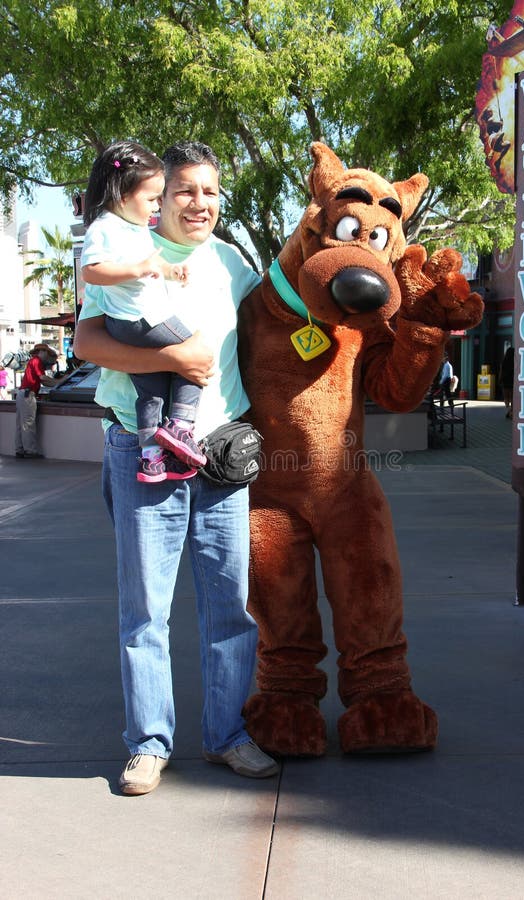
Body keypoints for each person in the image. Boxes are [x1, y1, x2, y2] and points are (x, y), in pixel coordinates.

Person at [74, 141, 279, 795]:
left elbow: (280, 322)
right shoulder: (130, 253)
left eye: (211, 192)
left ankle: (227, 737)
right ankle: (149, 744)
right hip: (142, 452)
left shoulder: (230, 264)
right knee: (145, 611)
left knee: (231, 608)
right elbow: (87, 342)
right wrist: (177, 362)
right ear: (159, 198)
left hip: (219, 454)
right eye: (186, 190)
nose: (200, 203)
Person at [81, 140, 206, 484]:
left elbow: (151, 264)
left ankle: (152, 457)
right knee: (195, 354)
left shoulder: (134, 230)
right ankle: (180, 426)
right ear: (122, 194)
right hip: (139, 319)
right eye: (151, 199)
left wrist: (168, 271)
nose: (155, 207)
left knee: (150, 391)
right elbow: (91, 271)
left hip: (135, 322)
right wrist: (137, 269)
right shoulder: (105, 227)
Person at [15, 343, 58, 458]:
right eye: (47, 354)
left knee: (20, 424)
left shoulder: (32, 361)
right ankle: (30, 451)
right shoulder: (37, 361)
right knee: (28, 424)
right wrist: (59, 382)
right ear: (42, 352)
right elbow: (43, 378)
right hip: (28, 395)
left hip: (22, 394)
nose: (47, 358)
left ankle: (19, 449)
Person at [500, 345, 515, 419]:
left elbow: (501, 371)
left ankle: (509, 410)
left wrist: (500, 380)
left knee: (506, 398)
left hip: (505, 381)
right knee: (513, 398)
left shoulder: (504, 361)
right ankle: (511, 411)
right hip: (513, 381)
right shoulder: (515, 362)